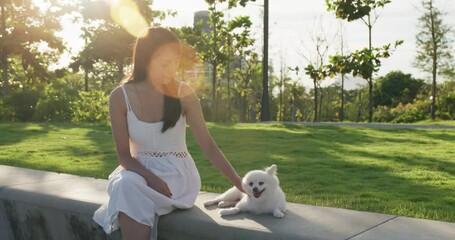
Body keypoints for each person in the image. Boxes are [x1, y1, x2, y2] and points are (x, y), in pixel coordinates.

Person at [93, 27, 243, 240]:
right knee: (126, 185)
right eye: (165, 63)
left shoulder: (184, 93)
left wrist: (238, 182)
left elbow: (208, 146)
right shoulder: (120, 96)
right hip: (139, 174)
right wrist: (151, 178)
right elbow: (124, 156)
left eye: (175, 63)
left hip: (177, 178)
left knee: (128, 191)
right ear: (146, 59)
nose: (171, 70)